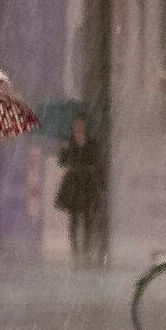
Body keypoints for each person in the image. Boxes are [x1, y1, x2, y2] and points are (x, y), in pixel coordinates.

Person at [56, 112, 109, 263]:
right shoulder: (68, 142)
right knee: (73, 218)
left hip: (87, 182)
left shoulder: (92, 143)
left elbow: (95, 160)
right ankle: (75, 250)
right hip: (73, 183)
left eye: (81, 124)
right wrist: (64, 150)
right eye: (76, 124)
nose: (78, 127)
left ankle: (85, 248)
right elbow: (63, 162)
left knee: (87, 218)